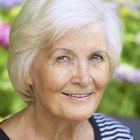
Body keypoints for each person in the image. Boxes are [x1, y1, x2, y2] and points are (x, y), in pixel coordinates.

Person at [0, 0, 133, 139]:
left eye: (96, 57)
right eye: (63, 58)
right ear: (27, 69)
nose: (84, 79)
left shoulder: (117, 135)